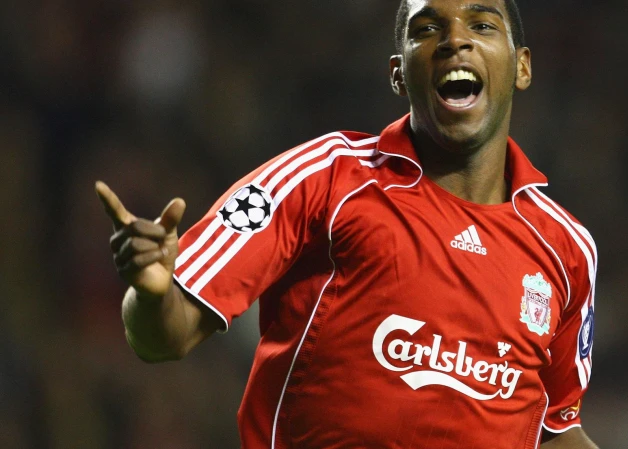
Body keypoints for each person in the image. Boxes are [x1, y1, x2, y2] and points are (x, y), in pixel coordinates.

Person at [95, 0, 599, 447]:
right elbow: (165, 337)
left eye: (482, 25)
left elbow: (554, 428)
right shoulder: (326, 178)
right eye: (427, 29)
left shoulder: (567, 248)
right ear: (398, 74)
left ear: (522, 66)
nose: (455, 41)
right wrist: (153, 293)